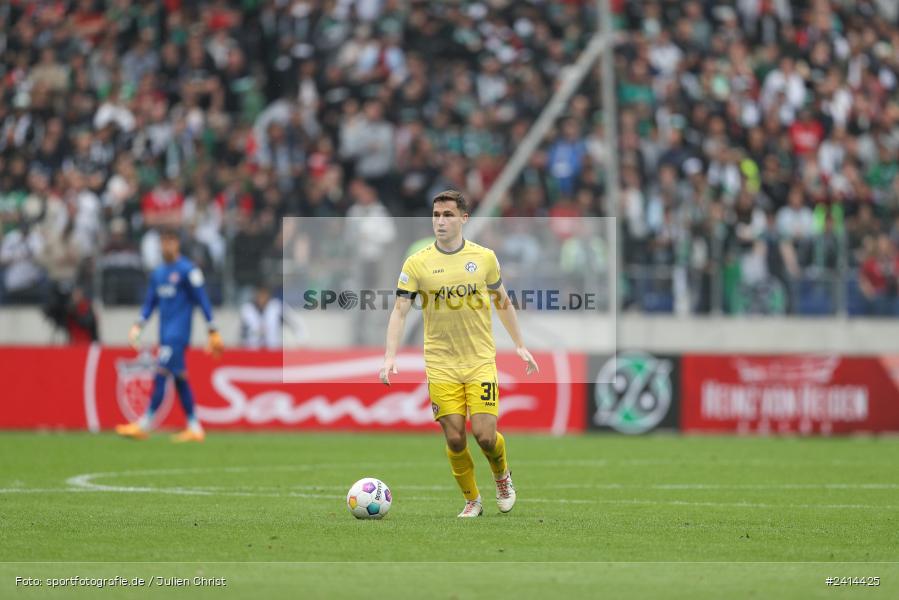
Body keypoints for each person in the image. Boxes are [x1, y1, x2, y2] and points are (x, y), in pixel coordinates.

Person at [379, 190, 539, 518]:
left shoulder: (484, 258)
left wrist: (520, 344)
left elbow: (502, 302)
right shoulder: (417, 263)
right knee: (454, 437)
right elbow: (399, 310)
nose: (440, 221)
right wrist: (390, 355)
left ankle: (502, 477)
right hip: (440, 362)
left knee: (484, 435)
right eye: (436, 214)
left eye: (448, 215)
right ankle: (472, 499)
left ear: (463, 218)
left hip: (479, 359)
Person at [115, 228, 223, 442]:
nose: (166, 246)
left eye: (170, 241)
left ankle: (144, 424)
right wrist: (139, 325)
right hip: (164, 334)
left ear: (177, 244)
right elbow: (150, 303)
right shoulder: (158, 274)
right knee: (180, 379)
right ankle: (195, 427)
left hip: (178, 335)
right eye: (163, 242)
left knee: (160, 373)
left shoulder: (188, 270)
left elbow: (202, 299)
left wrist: (212, 328)